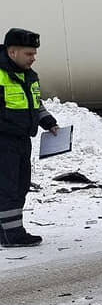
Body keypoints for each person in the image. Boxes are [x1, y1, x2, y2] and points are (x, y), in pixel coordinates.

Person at [0, 28, 59, 247]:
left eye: (34, 53)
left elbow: (35, 103)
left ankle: (7, 230)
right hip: (4, 140)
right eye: (29, 54)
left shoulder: (28, 75)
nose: (33, 58)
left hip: (22, 140)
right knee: (7, 187)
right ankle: (12, 234)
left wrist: (48, 122)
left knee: (20, 185)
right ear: (12, 52)